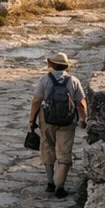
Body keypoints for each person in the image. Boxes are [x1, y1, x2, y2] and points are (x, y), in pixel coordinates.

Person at [27, 52, 88, 198]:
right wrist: (83, 119)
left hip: (47, 119)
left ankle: (50, 183)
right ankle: (59, 185)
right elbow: (80, 102)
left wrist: (31, 121)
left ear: (52, 65)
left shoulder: (45, 79)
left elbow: (36, 100)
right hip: (67, 121)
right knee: (64, 152)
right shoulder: (73, 80)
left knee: (47, 147)